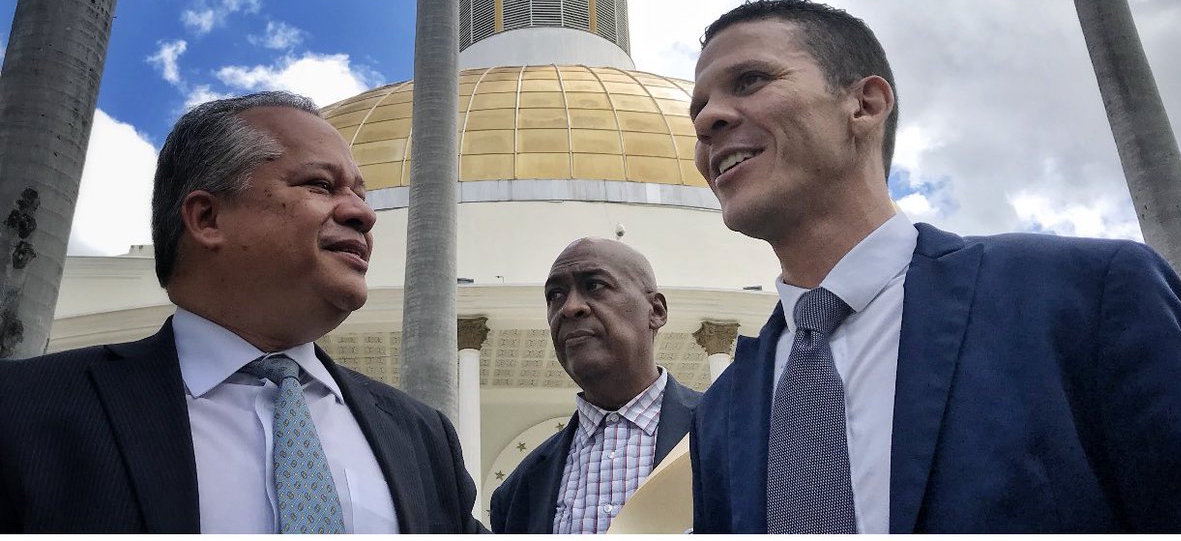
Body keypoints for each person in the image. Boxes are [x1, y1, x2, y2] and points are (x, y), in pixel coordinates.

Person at [687, 0, 1181, 533]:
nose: (706, 120)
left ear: (864, 104)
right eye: (697, 108)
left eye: (749, 80)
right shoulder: (723, 410)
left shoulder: (1083, 297)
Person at [0, 91, 482, 533]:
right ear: (207, 218)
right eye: (320, 185)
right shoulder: (23, 408)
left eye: (360, 193)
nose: (363, 214)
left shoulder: (422, 438)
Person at [489, 237, 701, 533]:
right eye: (556, 295)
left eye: (594, 286)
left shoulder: (728, 431)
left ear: (656, 311)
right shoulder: (519, 491)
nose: (570, 307)